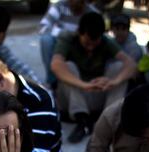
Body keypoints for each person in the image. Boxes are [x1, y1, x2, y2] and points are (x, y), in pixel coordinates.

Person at [51, 11, 138, 143]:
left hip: (96, 93)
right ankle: (83, 120)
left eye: (94, 43)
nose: (90, 48)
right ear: (79, 33)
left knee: (119, 67)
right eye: (87, 43)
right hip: (74, 97)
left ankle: (109, 119)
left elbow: (130, 64)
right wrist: (83, 84)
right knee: (67, 67)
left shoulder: (106, 42)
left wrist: (113, 82)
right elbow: (56, 65)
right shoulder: (67, 38)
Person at [39, 0, 100, 85]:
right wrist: (63, 33)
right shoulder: (59, 6)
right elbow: (43, 27)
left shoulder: (92, 13)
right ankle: (52, 81)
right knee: (46, 40)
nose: (74, 3)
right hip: (60, 41)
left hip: (80, 45)